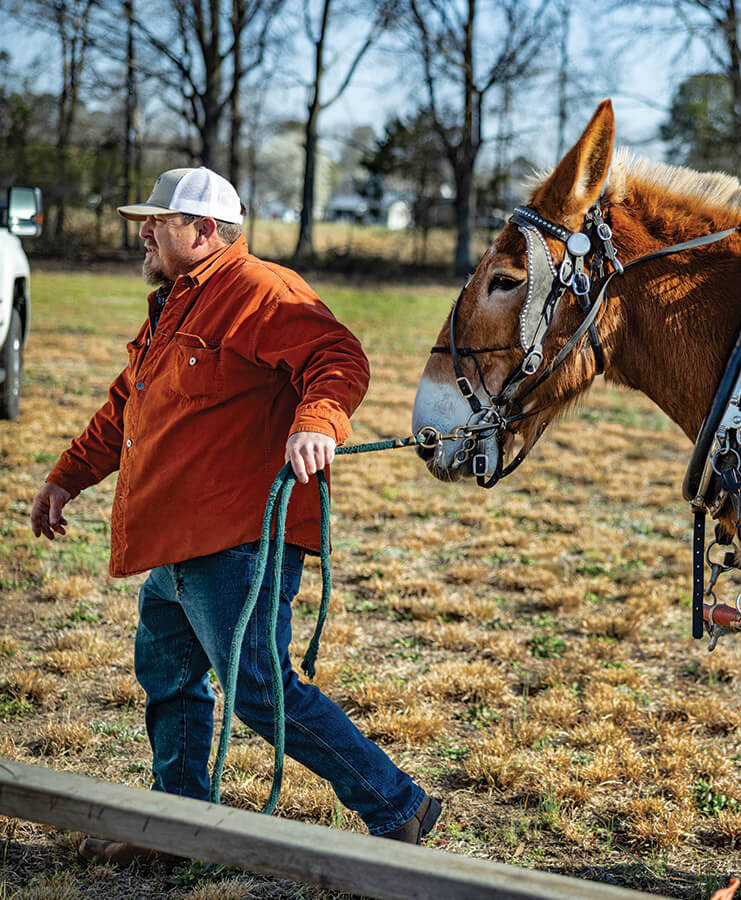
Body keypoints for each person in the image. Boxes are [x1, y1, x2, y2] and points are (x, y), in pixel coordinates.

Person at [29, 166, 441, 864]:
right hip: (178, 543)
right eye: (145, 219)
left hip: (238, 540)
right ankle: (180, 831)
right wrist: (66, 478)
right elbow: (126, 408)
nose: (145, 230)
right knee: (168, 679)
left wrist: (317, 420)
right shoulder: (173, 305)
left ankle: (398, 804)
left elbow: (338, 357)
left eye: (159, 219)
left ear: (207, 230)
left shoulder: (258, 291)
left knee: (257, 686)